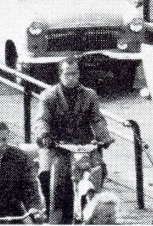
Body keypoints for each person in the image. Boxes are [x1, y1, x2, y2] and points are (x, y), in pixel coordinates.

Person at [35, 56, 113, 224]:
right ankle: (52, 212)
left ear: (79, 74)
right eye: (67, 74)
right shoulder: (48, 96)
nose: (71, 77)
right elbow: (42, 120)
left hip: (83, 145)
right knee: (47, 173)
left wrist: (104, 137)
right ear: (60, 75)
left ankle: (93, 210)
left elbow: (97, 119)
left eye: (74, 73)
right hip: (56, 145)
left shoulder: (89, 95)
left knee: (99, 168)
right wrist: (44, 135)